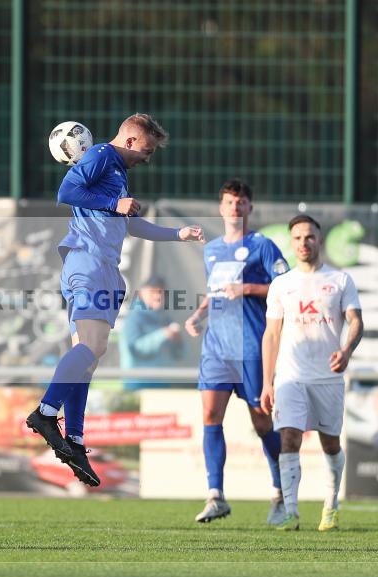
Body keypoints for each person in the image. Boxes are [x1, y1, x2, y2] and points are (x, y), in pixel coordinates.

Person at [25, 113, 204, 486]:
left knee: (89, 358)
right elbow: (67, 192)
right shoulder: (103, 155)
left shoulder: (115, 172)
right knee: (93, 346)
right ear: (132, 141)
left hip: (99, 266)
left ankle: (73, 437)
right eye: (148, 150)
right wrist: (114, 203)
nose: (148, 158)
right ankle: (45, 413)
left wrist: (177, 233)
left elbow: (129, 222)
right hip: (88, 264)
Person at [184, 179, 289, 524]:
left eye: (240, 202)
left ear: (249, 208)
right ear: (221, 208)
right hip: (217, 348)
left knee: (262, 422)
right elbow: (215, 291)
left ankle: (281, 491)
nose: (234, 207)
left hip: (252, 347)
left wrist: (248, 288)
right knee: (211, 417)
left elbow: (286, 287)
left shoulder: (262, 245)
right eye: (229, 201)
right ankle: (216, 495)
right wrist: (199, 315)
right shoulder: (212, 249)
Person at [261, 214, 364, 531]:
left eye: (309, 237)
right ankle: (290, 512)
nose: (303, 243)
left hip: (328, 377)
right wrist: (267, 381)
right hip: (291, 376)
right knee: (289, 438)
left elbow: (356, 322)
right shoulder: (282, 284)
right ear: (291, 243)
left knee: (330, 444)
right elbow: (272, 335)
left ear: (319, 240)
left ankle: (331, 505)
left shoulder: (341, 280)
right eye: (297, 238)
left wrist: (346, 351)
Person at [119, 275, 184, 391]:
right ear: (141, 294)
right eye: (153, 291)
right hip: (138, 385)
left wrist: (178, 342)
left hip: (163, 385)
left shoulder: (165, 318)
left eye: (161, 292)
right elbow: (135, 349)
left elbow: (180, 355)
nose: (158, 295)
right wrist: (163, 335)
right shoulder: (133, 318)